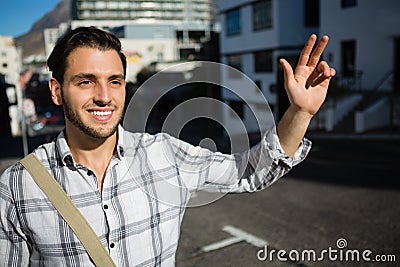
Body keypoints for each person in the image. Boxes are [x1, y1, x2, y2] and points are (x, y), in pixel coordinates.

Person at [0, 27, 335, 266]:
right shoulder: (17, 186)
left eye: (114, 81)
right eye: (86, 81)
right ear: (57, 91)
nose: (104, 96)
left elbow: (250, 171)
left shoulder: (165, 155)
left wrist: (300, 112)